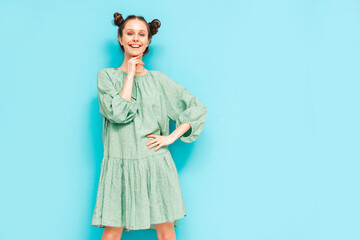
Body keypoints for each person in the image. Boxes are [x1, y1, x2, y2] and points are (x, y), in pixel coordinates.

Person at [91, 12, 207, 240]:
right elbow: (117, 113)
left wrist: (171, 137)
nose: (136, 38)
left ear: (148, 41)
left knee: (166, 232)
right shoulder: (106, 77)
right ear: (120, 39)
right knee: (112, 232)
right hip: (119, 162)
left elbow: (196, 108)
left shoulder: (159, 81)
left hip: (155, 163)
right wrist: (131, 75)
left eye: (141, 34)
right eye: (130, 33)